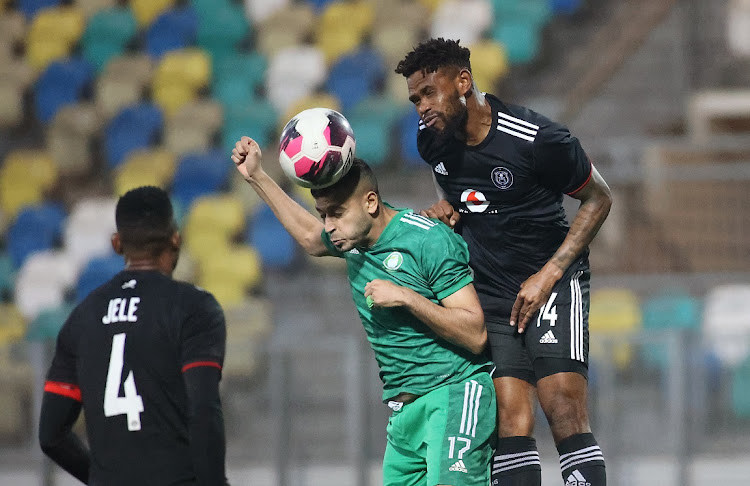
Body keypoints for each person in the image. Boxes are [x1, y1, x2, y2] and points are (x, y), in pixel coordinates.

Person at [395, 38, 613, 486]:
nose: (421, 107)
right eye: (416, 99)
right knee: (510, 421)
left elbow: (598, 198)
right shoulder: (431, 142)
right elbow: (455, 194)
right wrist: (446, 212)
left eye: (429, 93)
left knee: (563, 408)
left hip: (552, 282)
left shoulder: (537, 139)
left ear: (463, 82)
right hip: (491, 294)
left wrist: (549, 274)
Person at [231, 136, 496, 486]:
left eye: (337, 214)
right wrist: (256, 177)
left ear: (370, 203)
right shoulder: (354, 245)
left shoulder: (427, 239)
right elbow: (311, 239)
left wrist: (407, 297)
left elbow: (476, 334)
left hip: (454, 394)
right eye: (323, 214)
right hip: (404, 417)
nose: (328, 226)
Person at [39, 186, 230, 486]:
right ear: (176, 239)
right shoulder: (194, 308)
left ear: (117, 244)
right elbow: (203, 409)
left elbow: (51, 436)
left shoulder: (82, 317)